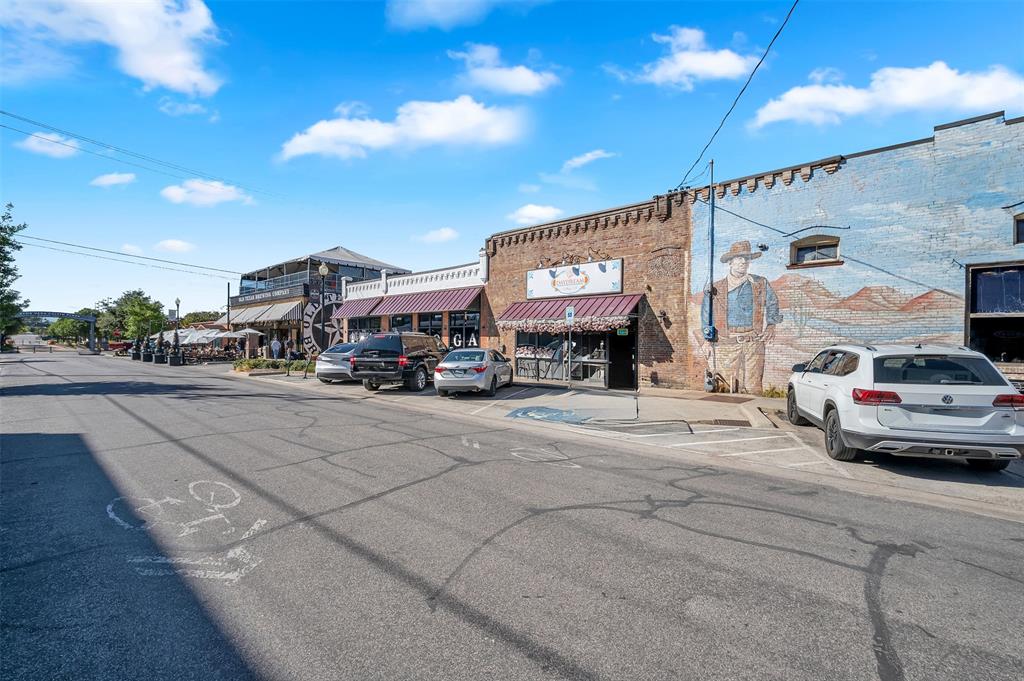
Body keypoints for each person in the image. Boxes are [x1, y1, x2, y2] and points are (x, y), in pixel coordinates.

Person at [699, 240, 782, 394]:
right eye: (738, 258)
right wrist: (707, 341)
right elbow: (705, 314)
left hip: (754, 342)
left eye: (746, 258)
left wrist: (771, 324)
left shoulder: (760, 283)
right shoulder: (716, 287)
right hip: (726, 343)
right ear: (730, 262)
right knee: (724, 386)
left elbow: (772, 302)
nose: (743, 262)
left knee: (754, 387)